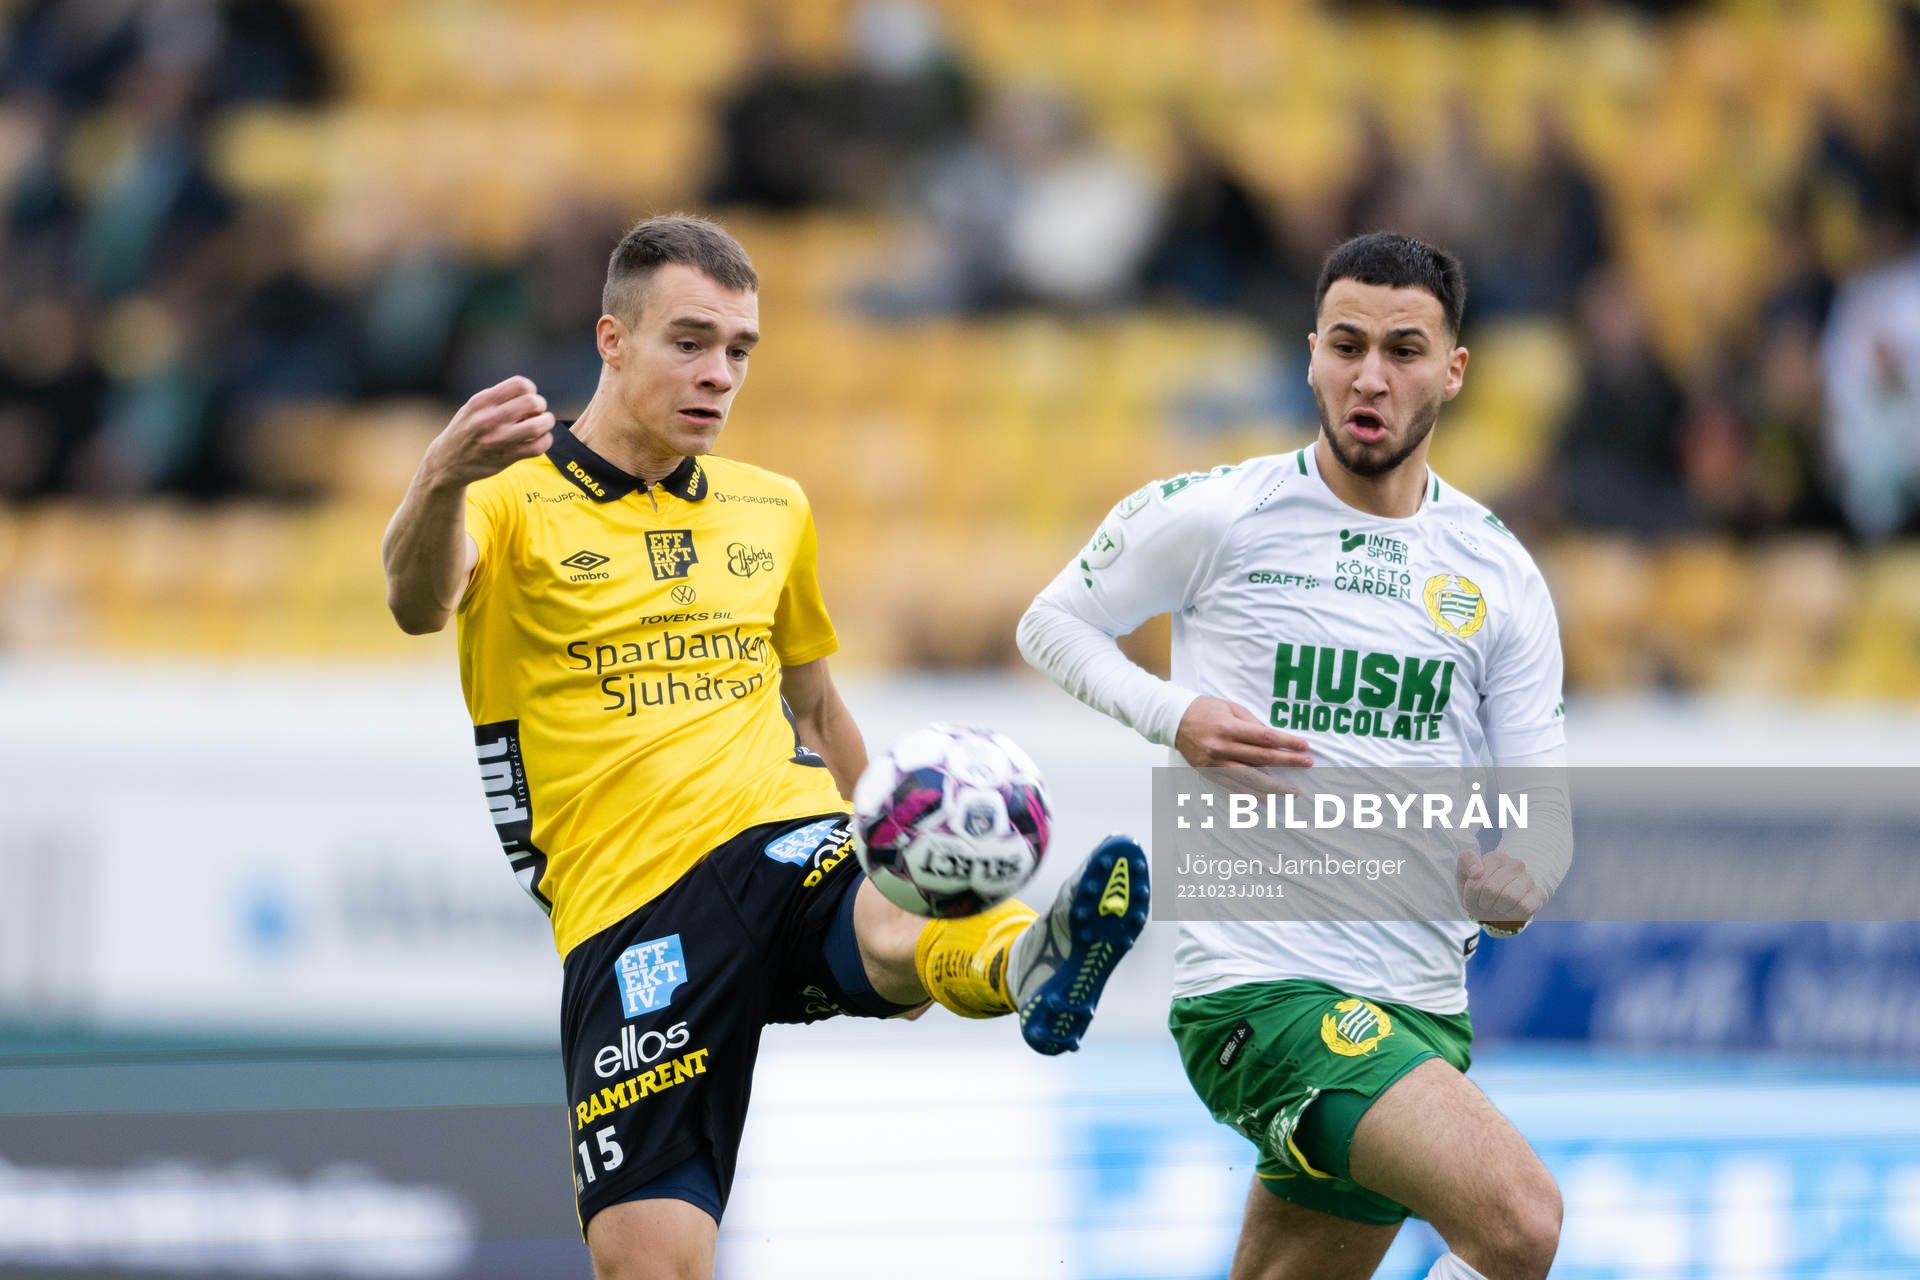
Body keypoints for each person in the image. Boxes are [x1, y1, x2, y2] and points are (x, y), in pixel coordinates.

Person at [380, 213, 1149, 1280]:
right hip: (632, 903)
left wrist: (887, 823)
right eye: (689, 342)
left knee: (895, 907)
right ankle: (998, 948)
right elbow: (419, 605)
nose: (718, 373)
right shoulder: (510, 499)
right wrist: (439, 478)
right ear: (612, 339)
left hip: (785, 836)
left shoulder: (772, 507)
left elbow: (821, 708)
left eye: (739, 350)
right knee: (650, 1262)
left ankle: (1028, 957)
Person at [1018, 232, 1571, 1280]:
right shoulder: (1220, 513)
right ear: (1310, 352)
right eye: (1347, 344)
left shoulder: (1500, 573)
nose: (1372, 376)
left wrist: (1522, 876)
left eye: (1405, 350)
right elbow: (1053, 622)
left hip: (1418, 1008)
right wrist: (1171, 711)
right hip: (1262, 993)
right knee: (1521, 1221)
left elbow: (1540, 812)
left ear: (1454, 370)